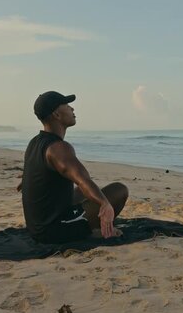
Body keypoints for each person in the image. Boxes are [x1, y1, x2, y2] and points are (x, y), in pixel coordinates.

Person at [19, 91, 128, 243]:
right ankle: (93, 231)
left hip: (38, 226)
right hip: (54, 231)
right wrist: (105, 204)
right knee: (119, 190)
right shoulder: (59, 148)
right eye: (67, 105)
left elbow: (36, 174)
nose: (72, 109)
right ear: (57, 115)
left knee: (82, 193)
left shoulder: (35, 142)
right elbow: (83, 180)